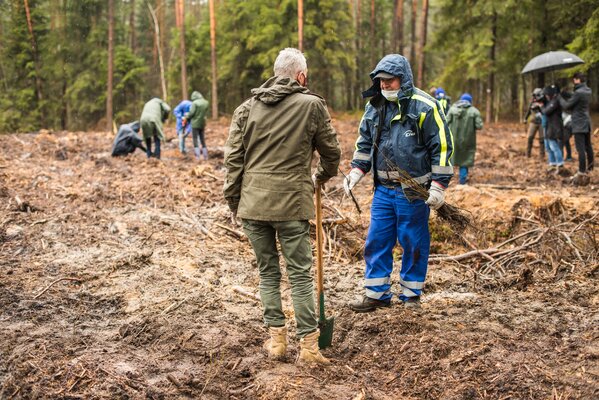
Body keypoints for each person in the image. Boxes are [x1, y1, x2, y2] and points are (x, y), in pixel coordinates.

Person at [223, 48, 341, 364]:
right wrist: (320, 177)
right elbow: (332, 153)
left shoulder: (245, 110)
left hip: (254, 205)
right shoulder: (313, 106)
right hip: (292, 204)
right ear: (300, 76)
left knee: (268, 273)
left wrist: (236, 202)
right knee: (301, 276)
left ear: (277, 74)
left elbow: (233, 161)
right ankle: (309, 348)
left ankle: (276, 341)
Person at [343, 54, 453, 312]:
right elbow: (364, 143)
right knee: (377, 240)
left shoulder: (425, 106)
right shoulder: (374, 107)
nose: (384, 86)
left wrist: (439, 186)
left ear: (403, 80)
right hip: (383, 189)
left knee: (413, 241)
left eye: (389, 81)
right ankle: (376, 294)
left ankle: (411, 295)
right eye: (380, 81)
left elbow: (443, 148)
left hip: (413, 191)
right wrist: (357, 171)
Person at [558, 72, 594, 181]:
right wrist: (566, 93)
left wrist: (559, 97)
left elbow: (567, 105)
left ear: (578, 80)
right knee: (588, 146)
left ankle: (581, 171)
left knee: (581, 149)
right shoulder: (587, 90)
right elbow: (576, 97)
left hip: (578, 123)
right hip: (586, 122)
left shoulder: (578, 93)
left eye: (574, 79)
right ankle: (591, 167)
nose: (573, 81)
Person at [446, 93, 483, 185]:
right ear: (470, 101)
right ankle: (462, 182)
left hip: (453, 140)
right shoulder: (474, 111)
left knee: (450, 159)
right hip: (468, 141)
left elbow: (445, 122)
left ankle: (445, 181)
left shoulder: (452, 109)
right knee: (465, 161)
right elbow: (479, 126)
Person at [541, 85, 564, 174]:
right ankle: (553, 164)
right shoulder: (550, 101)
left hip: (555, 127)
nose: (546, 96)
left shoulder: (555, 101)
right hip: (550, 126)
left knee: (554, 146)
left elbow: (546, 111)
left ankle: (560, 164)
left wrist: (542, 106)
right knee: (548, 147)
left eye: (547, 94)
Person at [184, 91, 209, 161]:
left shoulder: (194, 103)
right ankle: (205, 156)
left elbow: (191, 113)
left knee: (195, 139)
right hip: (202, 123)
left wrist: (186, 115)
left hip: (195, 124)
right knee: (202, 139)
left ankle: (197, 157)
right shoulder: (205, 102)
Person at [523, 88, 546, 158]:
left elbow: (545, 111)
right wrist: (525, 118)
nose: (535, 97)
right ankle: (528, 154)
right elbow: (529, 110)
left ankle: (542, 155)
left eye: (536, 96)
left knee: (542, 139)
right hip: (533, 122)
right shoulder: (532, 101)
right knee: (530, 138)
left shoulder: (544, 102)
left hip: (542, 122)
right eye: (534, 96)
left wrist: (540, 106)